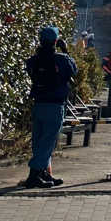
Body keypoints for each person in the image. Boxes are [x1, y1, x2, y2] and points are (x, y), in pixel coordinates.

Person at [24, 25, 77, 188]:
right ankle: (34, 175)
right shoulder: (61, 59)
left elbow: (30, 71)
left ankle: (43, 173)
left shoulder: (34, 60)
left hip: (39, 104)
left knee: (39, 140)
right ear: (55, 41)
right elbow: (73, 70)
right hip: (55, 106)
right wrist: (65, 50)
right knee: (48, 141)